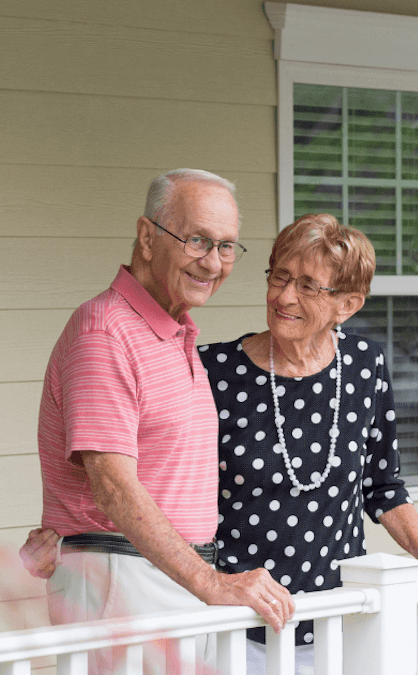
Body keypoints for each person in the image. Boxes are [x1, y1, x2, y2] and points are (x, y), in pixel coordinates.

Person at [25, 213, 418, 674]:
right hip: (232, 623)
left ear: (348, 304)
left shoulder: (365, 365)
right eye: (279, 276)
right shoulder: (213, 369)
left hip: (337, 620)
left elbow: (382, 485)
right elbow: (141, 468)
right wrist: (70, 534)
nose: (284, 296)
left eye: (307, 286)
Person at [36, 168, 294, 674]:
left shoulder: (175, 334)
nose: (213, 262)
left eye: (226, 246)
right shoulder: (105, 331)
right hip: (124, 574)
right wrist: (212, 582)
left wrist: (205, 579)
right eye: (197, 240)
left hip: (169, 575)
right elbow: (111, 488)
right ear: (147, 237)